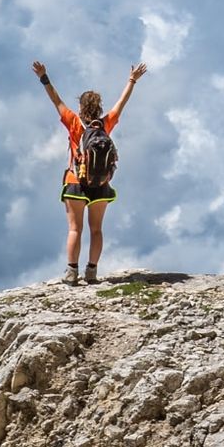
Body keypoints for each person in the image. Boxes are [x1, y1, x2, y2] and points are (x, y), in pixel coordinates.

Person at [32, 60, 146, 284]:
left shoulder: (74, 122)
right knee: (96, 230)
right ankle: (92, 271)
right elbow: (121, 103)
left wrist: (44, 77)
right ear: (99, 107)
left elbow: (56, 100)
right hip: (101, 184)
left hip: (76, 182)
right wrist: (132, 81)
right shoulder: (106, 124)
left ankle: (72, 272)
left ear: (81, 107)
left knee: (75, 229)